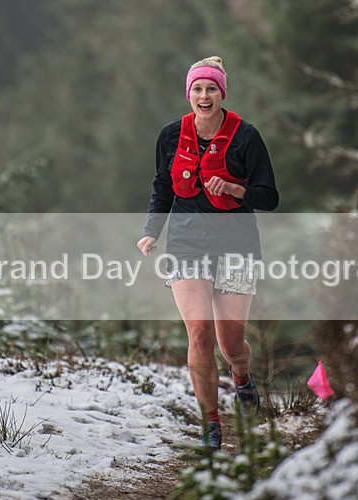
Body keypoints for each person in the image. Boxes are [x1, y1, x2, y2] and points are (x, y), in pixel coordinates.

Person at [136, 56, 279, 450]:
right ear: (189, 94)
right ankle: (211, 426)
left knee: (230, 343)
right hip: (186, 244)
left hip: (237, 246)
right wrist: (151, 232)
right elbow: (162, 188)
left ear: (222, 94)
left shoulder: (246, 136)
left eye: (211, 88)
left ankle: (243, 380)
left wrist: (235, 189)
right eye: (197, 89)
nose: (204, 96)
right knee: (199, 334)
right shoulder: (170, 136)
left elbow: (269, 198)